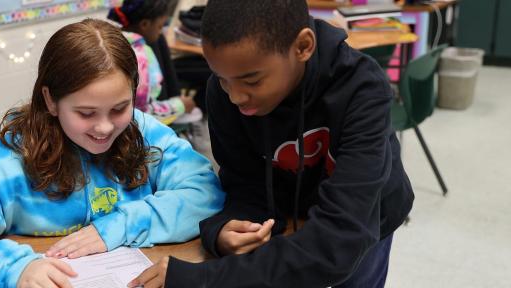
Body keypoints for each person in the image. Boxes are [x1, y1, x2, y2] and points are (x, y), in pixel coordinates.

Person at [0, 19, 224, 288]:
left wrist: (120, 225)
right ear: (51, 100)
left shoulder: (143, 130)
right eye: (85, 113)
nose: (104, 127)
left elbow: (205, 192)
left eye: (119, 108)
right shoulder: (10, 160)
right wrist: (12, 268)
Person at [130, 1, 415, 287]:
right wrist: (224, 228)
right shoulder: (225, 92)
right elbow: (243, 182)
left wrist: (201, 279)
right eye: (223, 79)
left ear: (303, 46)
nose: (236, 97)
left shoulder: (361, 89)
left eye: (251, 81)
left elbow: (339, 243)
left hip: (363, 220)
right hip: (288, 214)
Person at [108, 0, 198, 125]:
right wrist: (180, 105)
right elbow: (141, 114)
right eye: (160, 26)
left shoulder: (111, 41)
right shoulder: (140, 57)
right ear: (144, 24)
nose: (161, 31)